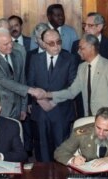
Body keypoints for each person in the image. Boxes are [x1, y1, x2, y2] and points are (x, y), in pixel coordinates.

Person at [35, 34, 108, 117]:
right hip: (88, 118)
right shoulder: (82, 68)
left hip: (106, 120)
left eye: (81, 48)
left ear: (91, 48)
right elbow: (71, 92)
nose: (78, 51)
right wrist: (47, 94)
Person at [27, 29, 77, 162]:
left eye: (59, 42)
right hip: (41, 111)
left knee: (62, 149)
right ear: (43, 44)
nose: (56, 46)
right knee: (43, 150)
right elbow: (30, 84)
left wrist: (53, 101)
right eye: (51, 43)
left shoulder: (70, 58)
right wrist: (43, 102)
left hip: (61, 111)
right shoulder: (35, 59)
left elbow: (72, 86)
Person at [0, 27, 45, 120]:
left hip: (17, 109)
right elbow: (4, 81)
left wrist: (23, 107)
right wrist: (30, 90)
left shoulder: (18, 55)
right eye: (5, 44)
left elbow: (22, 79)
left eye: (10, 41)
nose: (10, 45)